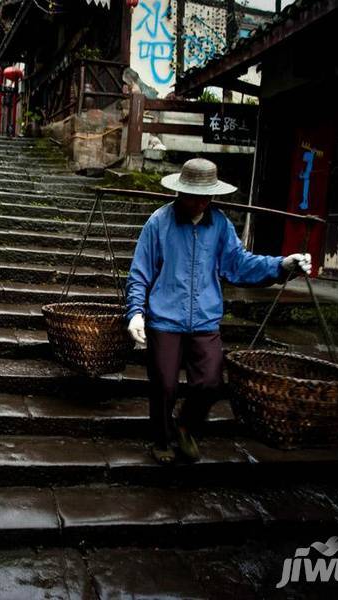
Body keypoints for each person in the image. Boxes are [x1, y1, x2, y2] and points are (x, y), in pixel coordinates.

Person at [125, 158, 311, 463]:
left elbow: (239, 265)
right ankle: (160, 438)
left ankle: (185, 427)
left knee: (211, 380)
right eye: (196, 196)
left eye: (207, 196)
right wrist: (136, 311)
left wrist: (282, 265)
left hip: (204, 319)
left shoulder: (220, 225)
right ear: (180, 192)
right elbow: (140, 273)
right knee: (164, 384)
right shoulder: (159, 223)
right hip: (165, 319)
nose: (202, 202)